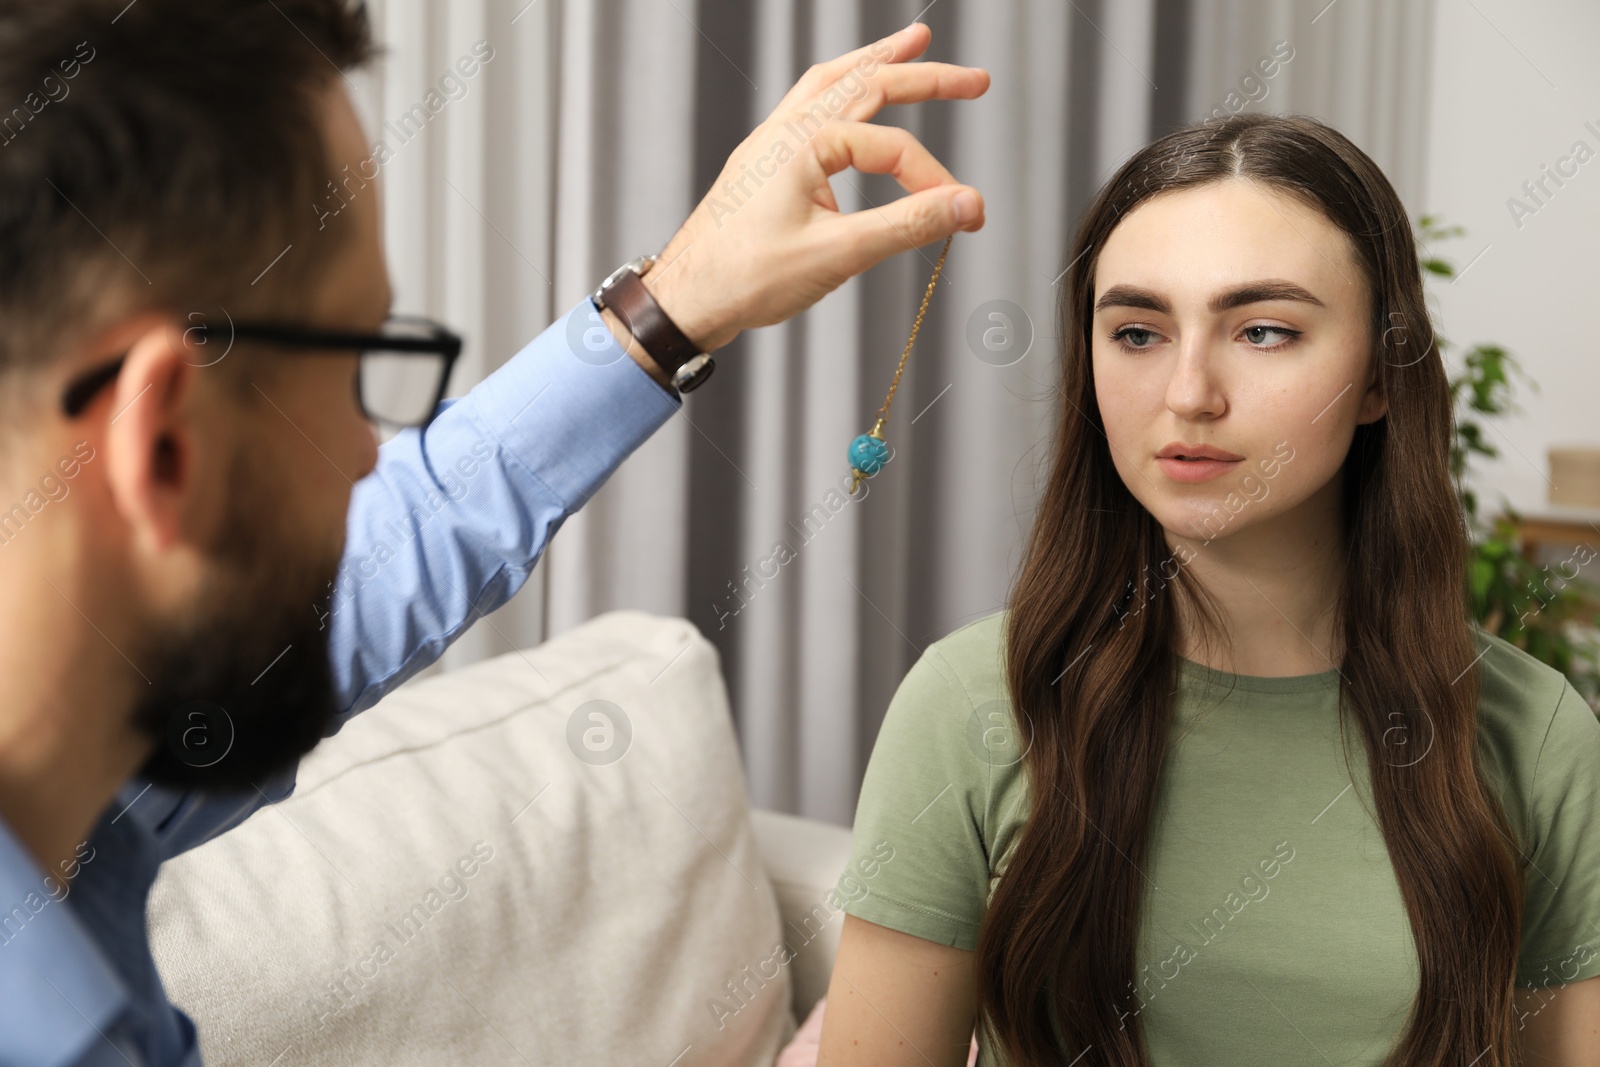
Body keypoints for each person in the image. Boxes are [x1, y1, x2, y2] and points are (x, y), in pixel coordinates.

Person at [0, 2, 989, 1064]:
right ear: (166, 447)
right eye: (350, 370)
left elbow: (388, 565)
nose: (370, 453)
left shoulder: (88, 783)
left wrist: (676, 305)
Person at [815, 114, 1600, 1066]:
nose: (1189, 392)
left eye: (1264, 331)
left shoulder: (1538, 734)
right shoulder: (970, 703)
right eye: (1138, 331)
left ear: (1380, 376)